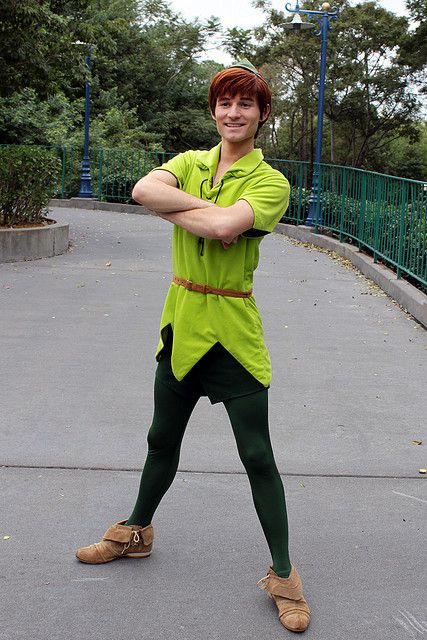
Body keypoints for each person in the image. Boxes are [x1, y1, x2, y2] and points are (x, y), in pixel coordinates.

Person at [75, 59, 310, 634]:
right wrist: (213, 216)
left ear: (262, 115)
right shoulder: (188, 162)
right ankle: (137, 531)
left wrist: (185, 210)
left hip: (232, 326)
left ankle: (284, 575)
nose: (234, 113)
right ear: (214, 111)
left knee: (257, 456)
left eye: (245, 104)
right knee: (161, 440)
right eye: (225, 103)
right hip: (181, 324)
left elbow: (226, 229)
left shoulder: (271, 181)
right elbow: (140, 189)